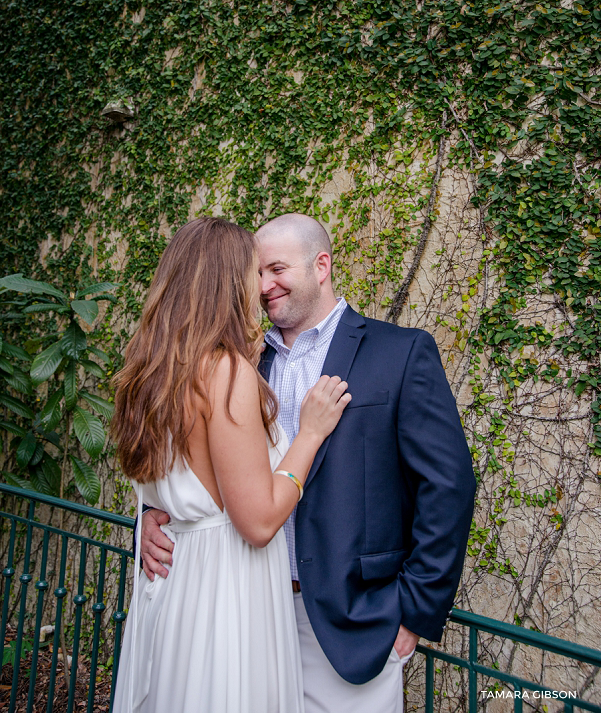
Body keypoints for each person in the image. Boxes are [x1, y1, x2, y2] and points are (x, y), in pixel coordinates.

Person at [141, 213, 477, 713]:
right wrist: (149, 519)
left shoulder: (400, 353)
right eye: (256, 272)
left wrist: (413, 612)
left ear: (321, 266)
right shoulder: (239, 364)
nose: (263, 285)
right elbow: (196, 470)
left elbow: (448, 486)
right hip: (249, 611)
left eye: (276, 269)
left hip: (353, 623)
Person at [111, 217, 352, 713]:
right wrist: (308, 435)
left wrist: (147, 525)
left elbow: (171, 489)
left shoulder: (150, 373)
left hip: (175, 590)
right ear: (228, 281)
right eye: (252, 272)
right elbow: (259, 521)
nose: (261, 287)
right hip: (226, 595)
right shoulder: (224, 373)